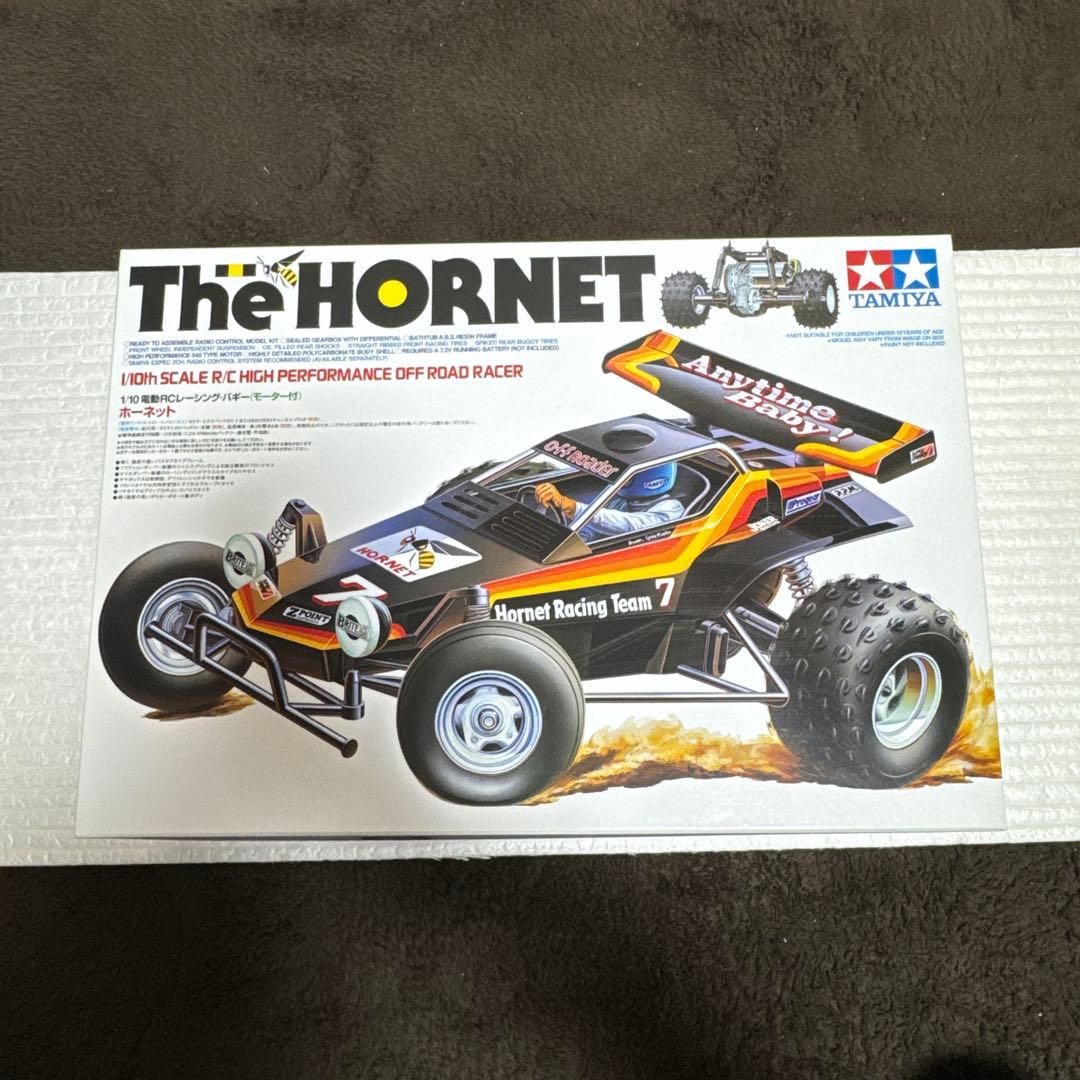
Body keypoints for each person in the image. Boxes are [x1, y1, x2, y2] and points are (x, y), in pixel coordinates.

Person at [535, 461, 684, 542]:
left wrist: (569, 505)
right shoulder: (621, 502)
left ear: (652, 481)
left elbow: (629, 525)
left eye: (627, 478)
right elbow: (590, 528)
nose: (620, 482)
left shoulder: (671, 509)